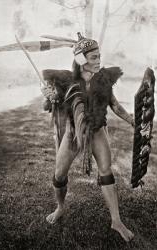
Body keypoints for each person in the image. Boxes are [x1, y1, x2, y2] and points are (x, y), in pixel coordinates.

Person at [42, 32, 134, 242]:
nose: (99, 60)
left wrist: (131, 120)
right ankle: (60, 207)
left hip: (98, 131)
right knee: (59, 174)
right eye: (93, 57)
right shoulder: (67, 80)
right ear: (81, 60)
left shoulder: (103, 80)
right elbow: (52, 101)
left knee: (106, 171)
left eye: (99, 56)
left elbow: (115, 105)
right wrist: (50, 96)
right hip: (73, 134)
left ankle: (116, 220)